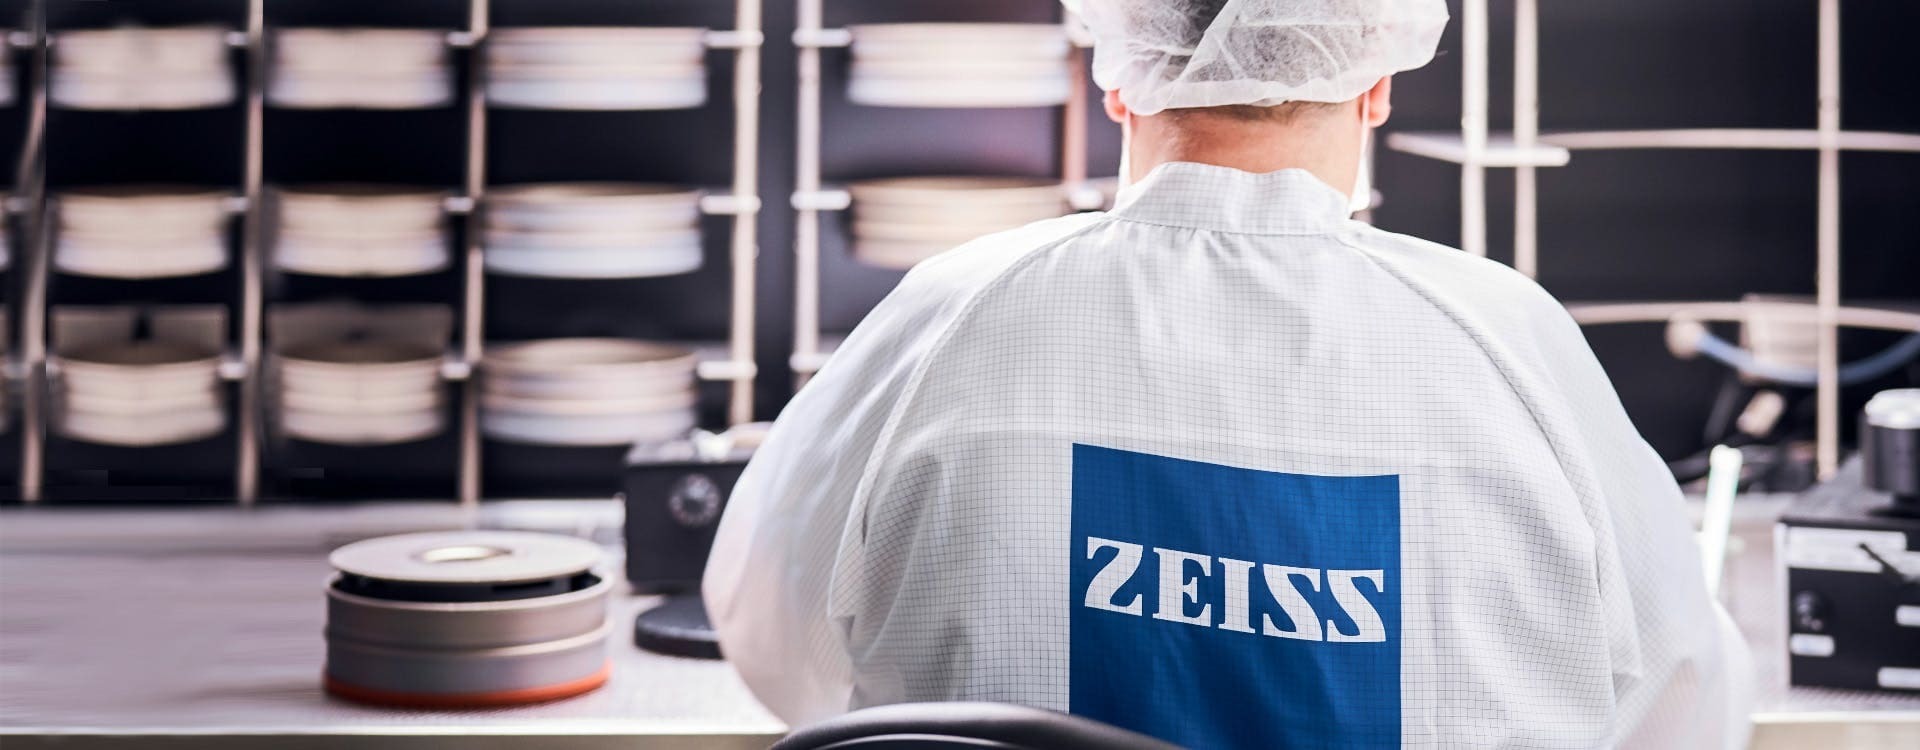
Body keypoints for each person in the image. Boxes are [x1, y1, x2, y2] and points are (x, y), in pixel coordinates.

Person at [706, 1, 1753, 747]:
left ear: (1114, 77)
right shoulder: (1509, 346)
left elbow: (770, 628)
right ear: (1377, 85)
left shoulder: (950, 318)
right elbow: (1685, 702)